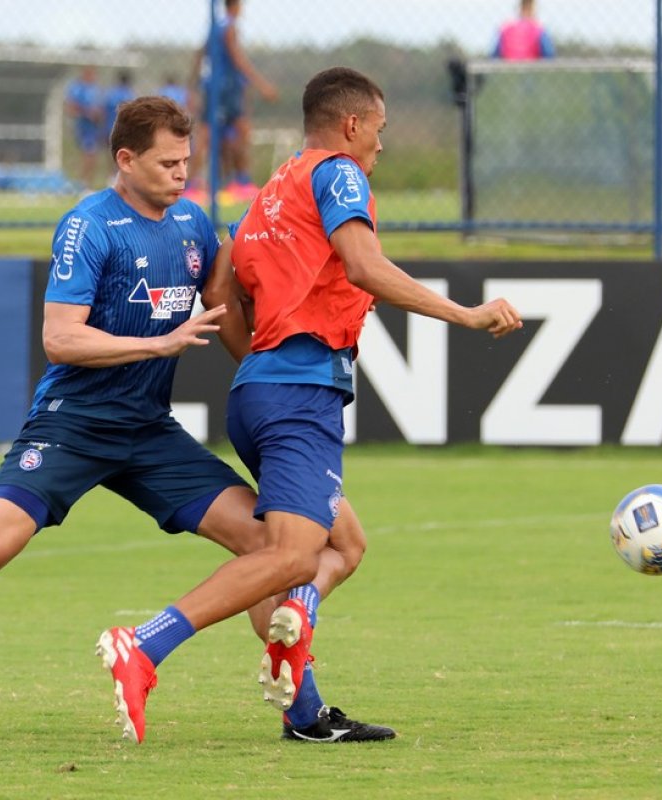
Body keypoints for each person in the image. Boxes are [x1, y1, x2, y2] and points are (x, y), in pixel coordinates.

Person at [0, 96, 394, 747]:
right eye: (165, 163)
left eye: (186, 162)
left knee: (271, 551)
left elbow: (230, 294)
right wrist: (156, 345)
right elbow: (61, 340)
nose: (179, 175)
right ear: (124, 159)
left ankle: (304, 715)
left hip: (149, 434)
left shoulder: (192, 225)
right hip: (71, 425)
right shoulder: (90, 226)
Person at [219, 66, 522, 730]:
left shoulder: (269, 192)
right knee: (290, 560)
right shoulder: (338, 173)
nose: (381, 147)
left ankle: (303, 699)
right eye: (379, 131)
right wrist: (466, 315)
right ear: (351, 125)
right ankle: (172, 642)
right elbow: (363, 265)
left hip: (258, 391)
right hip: (300, 394)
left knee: (341, 545)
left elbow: (223, 295)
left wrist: (259, 362)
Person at [188, 0, 278, 201]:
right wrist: (262, 85)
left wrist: (193, 86)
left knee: (210, 135)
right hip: (227, 88)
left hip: (213, 87)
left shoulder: (214, 27)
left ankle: (193, 184)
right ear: (235, 5)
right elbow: (238, 59)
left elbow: (200, 55)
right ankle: (241, 182)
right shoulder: (229, 28)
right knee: (239, 132)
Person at [63, 66, 104, 188]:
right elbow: (71, 108)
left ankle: (86, 182)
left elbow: (99, 108)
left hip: (94, 128)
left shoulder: (95, 89)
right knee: (87, 154)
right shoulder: (77, 88)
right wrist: (87, 113)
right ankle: (82, 183)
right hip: (83, 127)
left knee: (92, 156)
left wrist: (98, 115)